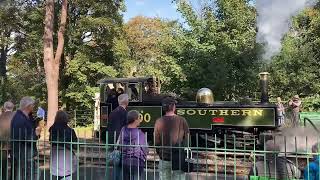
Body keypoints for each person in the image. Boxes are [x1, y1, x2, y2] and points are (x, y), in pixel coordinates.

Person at [154, 97, 190, 180]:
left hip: (164, 156)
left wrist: (160, 153)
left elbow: (156, 141)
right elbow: (187, 138)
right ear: (173, 107)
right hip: (178, 157)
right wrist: (183, 152)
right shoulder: (182, 120)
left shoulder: (158, 121)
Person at [10, 97, 41, 180]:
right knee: (26, 176)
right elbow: (21, 137)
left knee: (34, 174)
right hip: (22, 155)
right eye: (33, 105)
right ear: (28, 106)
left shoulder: (28, 117)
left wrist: (36, 128)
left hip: (28, 154)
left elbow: (30, 132)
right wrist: (35, 134)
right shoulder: (19, 119)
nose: (34, 107)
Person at [118, 110, 148, 180]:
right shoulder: (140, 134)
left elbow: (120, 144)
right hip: (137, 162)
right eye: (139, 118)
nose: (140, 120)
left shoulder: (123, 130)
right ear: (135, 120)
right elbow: (145, 149)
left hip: (125, 161)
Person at [49, 110, 78, 180]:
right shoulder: (70, 131)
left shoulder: (52, 129)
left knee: (58, 174)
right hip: (67, 154)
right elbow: (75, 145)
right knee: (67, 174)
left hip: (55, 154)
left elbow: (51, 141)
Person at [0, 101, 15, 180]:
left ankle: (3, 177)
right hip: (14, 143)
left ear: (4, 107)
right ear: (13, 108)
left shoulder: (1, 116)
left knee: (3, 164)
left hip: (2, 144)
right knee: (15, 163)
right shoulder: (16, 116)